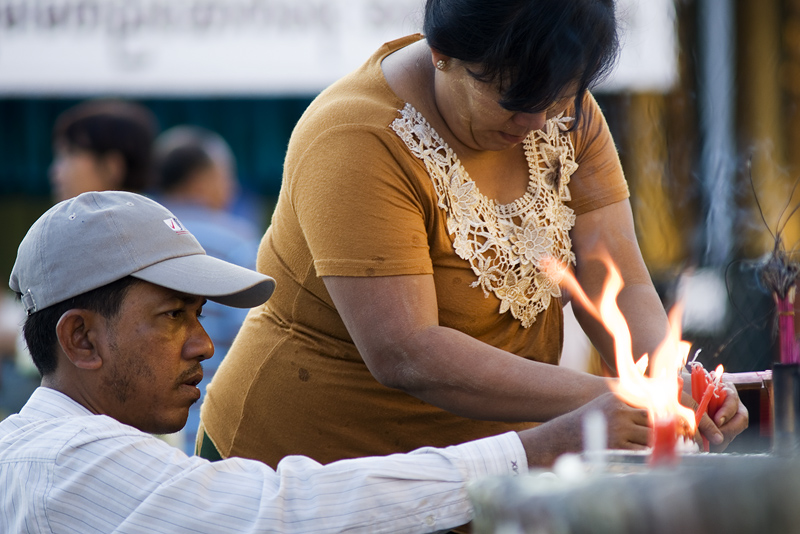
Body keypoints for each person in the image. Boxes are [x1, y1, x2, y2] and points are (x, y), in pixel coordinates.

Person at [199, 0, 748, 468]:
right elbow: (408, 352)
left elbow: (619, 278)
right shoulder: (356, 139)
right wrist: (615, 396)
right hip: (310, 468)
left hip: (485, 466)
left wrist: (676, 386)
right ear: (443, 53)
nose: (539, 123)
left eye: (560, 100)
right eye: (516, 101)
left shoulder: (565, 111)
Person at [0, 190, 649, 533]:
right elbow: (291, 510)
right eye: (173, 317)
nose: (202, 343)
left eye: (200, 315)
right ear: (80, 340)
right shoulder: (67, 464)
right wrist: (534, 449)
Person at [152, 125, 261, 453]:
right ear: (201, 179)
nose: (232, 186)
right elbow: (254, 340)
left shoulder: (137, 239)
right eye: (226, 175)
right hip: (213, 430)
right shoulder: (236, 241)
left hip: (146, 434)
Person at [50, 99, 158, 202]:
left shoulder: (141, 219)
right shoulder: (160, 217)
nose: (55, 172)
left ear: (112, 166)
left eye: (69, 154)